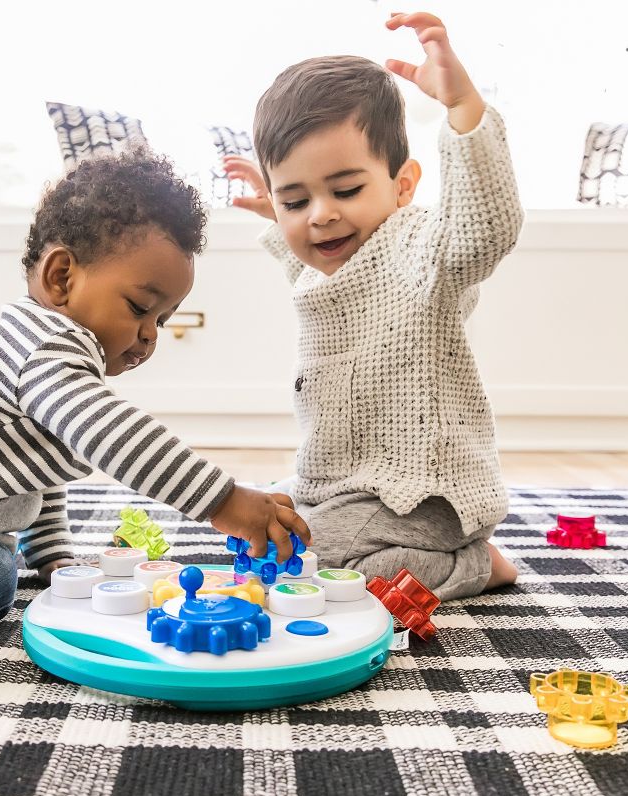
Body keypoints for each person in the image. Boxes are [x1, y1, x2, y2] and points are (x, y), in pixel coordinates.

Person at [0, 149, 310, 685]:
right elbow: (115, 436)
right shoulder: (44, 345)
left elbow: (38, 474)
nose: (150, 334)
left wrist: (54, 560)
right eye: (138, 308)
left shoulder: (60, 374)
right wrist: (225, 503)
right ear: (62, 277)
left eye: (164, 319)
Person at [223, 11, 522, 600]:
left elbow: (484, 230)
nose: (321, 215)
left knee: (326, 568)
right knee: (271, 521)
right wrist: (271, 216)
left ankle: (478, 564)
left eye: (346, 190)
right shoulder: (331, 260)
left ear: (403, 184)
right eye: (296, 199)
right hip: (344, 482)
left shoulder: (421, 249)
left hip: (424, 493)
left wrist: (464, 113)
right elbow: (318, 278)